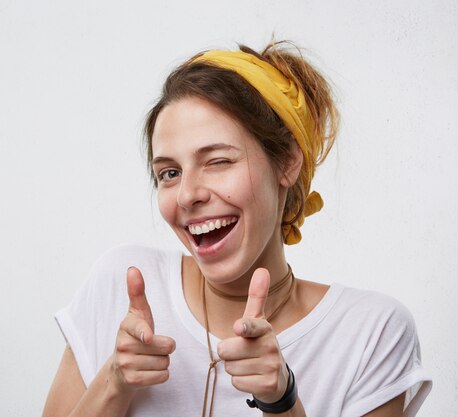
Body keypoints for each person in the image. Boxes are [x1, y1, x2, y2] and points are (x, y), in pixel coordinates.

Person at [42, 41, 432, 417]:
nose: (187, 195)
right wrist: (114, 382)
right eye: (170, 173)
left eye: (218, 161)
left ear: (286, 163)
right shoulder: (125, 283)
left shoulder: (371, 332)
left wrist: (282, 401)